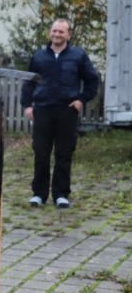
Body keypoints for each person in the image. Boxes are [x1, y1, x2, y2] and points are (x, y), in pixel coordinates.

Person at [20, 18, 100, 209]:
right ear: (50, 33)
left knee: (64, 153)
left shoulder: (78, 56)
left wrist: (81, 99)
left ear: (68, 35)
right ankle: (39, 194)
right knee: (41, 153)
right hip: (42, 110)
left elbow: (92, 80)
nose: (57, 34)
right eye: (54, 31)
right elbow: (29, 82)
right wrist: (27, 105)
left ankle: (61, 194)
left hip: (67, 110)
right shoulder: (39, 57)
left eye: (61, 32)